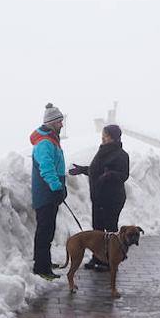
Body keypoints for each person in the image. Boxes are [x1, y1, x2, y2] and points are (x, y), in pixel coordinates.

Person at [69, 124, 130, 270]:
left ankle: (109, 261)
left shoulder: (121, 155)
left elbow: (124, 175)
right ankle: (97, 257)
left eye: (105, 135)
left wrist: (111, 175)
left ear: (113, 137)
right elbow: (96, 171)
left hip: (112, 199)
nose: (102, 137)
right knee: (97, 230)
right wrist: (83, 169)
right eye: (103, 135)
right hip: (99, 198)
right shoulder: (102, 151)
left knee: (109, 230)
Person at [30, 103, 68, 279]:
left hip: (50, 193)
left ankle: (44, 262)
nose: (62, 125)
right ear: (52, 123)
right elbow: (47, 168)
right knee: (44, 231)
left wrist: (61, 188)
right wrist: (56, 188)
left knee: (48, 229)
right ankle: (41, 268)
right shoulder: (45, 143)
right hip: (45, 194)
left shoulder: (51, 140)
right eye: (60, 121)